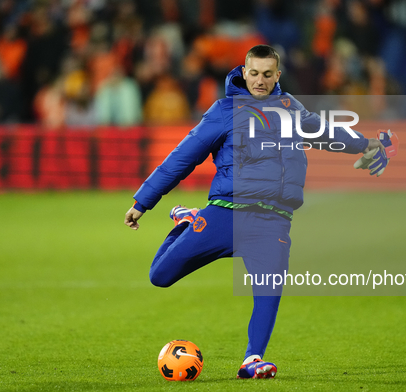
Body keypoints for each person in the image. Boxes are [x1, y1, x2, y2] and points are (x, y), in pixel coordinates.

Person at [124, 45, 387, 379]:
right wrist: (142, 202)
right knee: (160, 276)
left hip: (273, 220)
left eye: (267, 74)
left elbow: (328, 133)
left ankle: (252, 359)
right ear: (243, 72)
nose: (260, 81)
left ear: (277, 75)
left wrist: (366, 144)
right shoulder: (223, 111)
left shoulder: (291, 109)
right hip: (225, 214)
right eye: (254, 73)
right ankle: (186, 222)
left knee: (268, 289)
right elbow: (181, 158)